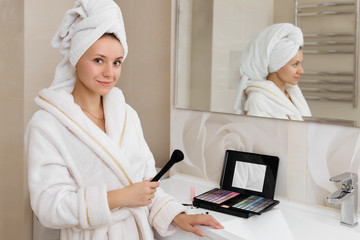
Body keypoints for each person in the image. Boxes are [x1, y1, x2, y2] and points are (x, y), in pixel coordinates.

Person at [25, 0, 223, 239]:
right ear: (76, 59)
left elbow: (147, 184)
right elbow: (49, 207)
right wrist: (119, 197)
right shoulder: (47, 125)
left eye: (117, 62)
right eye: (98, 60)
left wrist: (176, 215)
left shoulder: (125, 115)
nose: (110, 73)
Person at [233, 23, 311, 121]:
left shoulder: (293, 94)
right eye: (295, 64)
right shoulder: (258, 101)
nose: (301, 71)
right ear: (277, 65)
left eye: (300, 64)